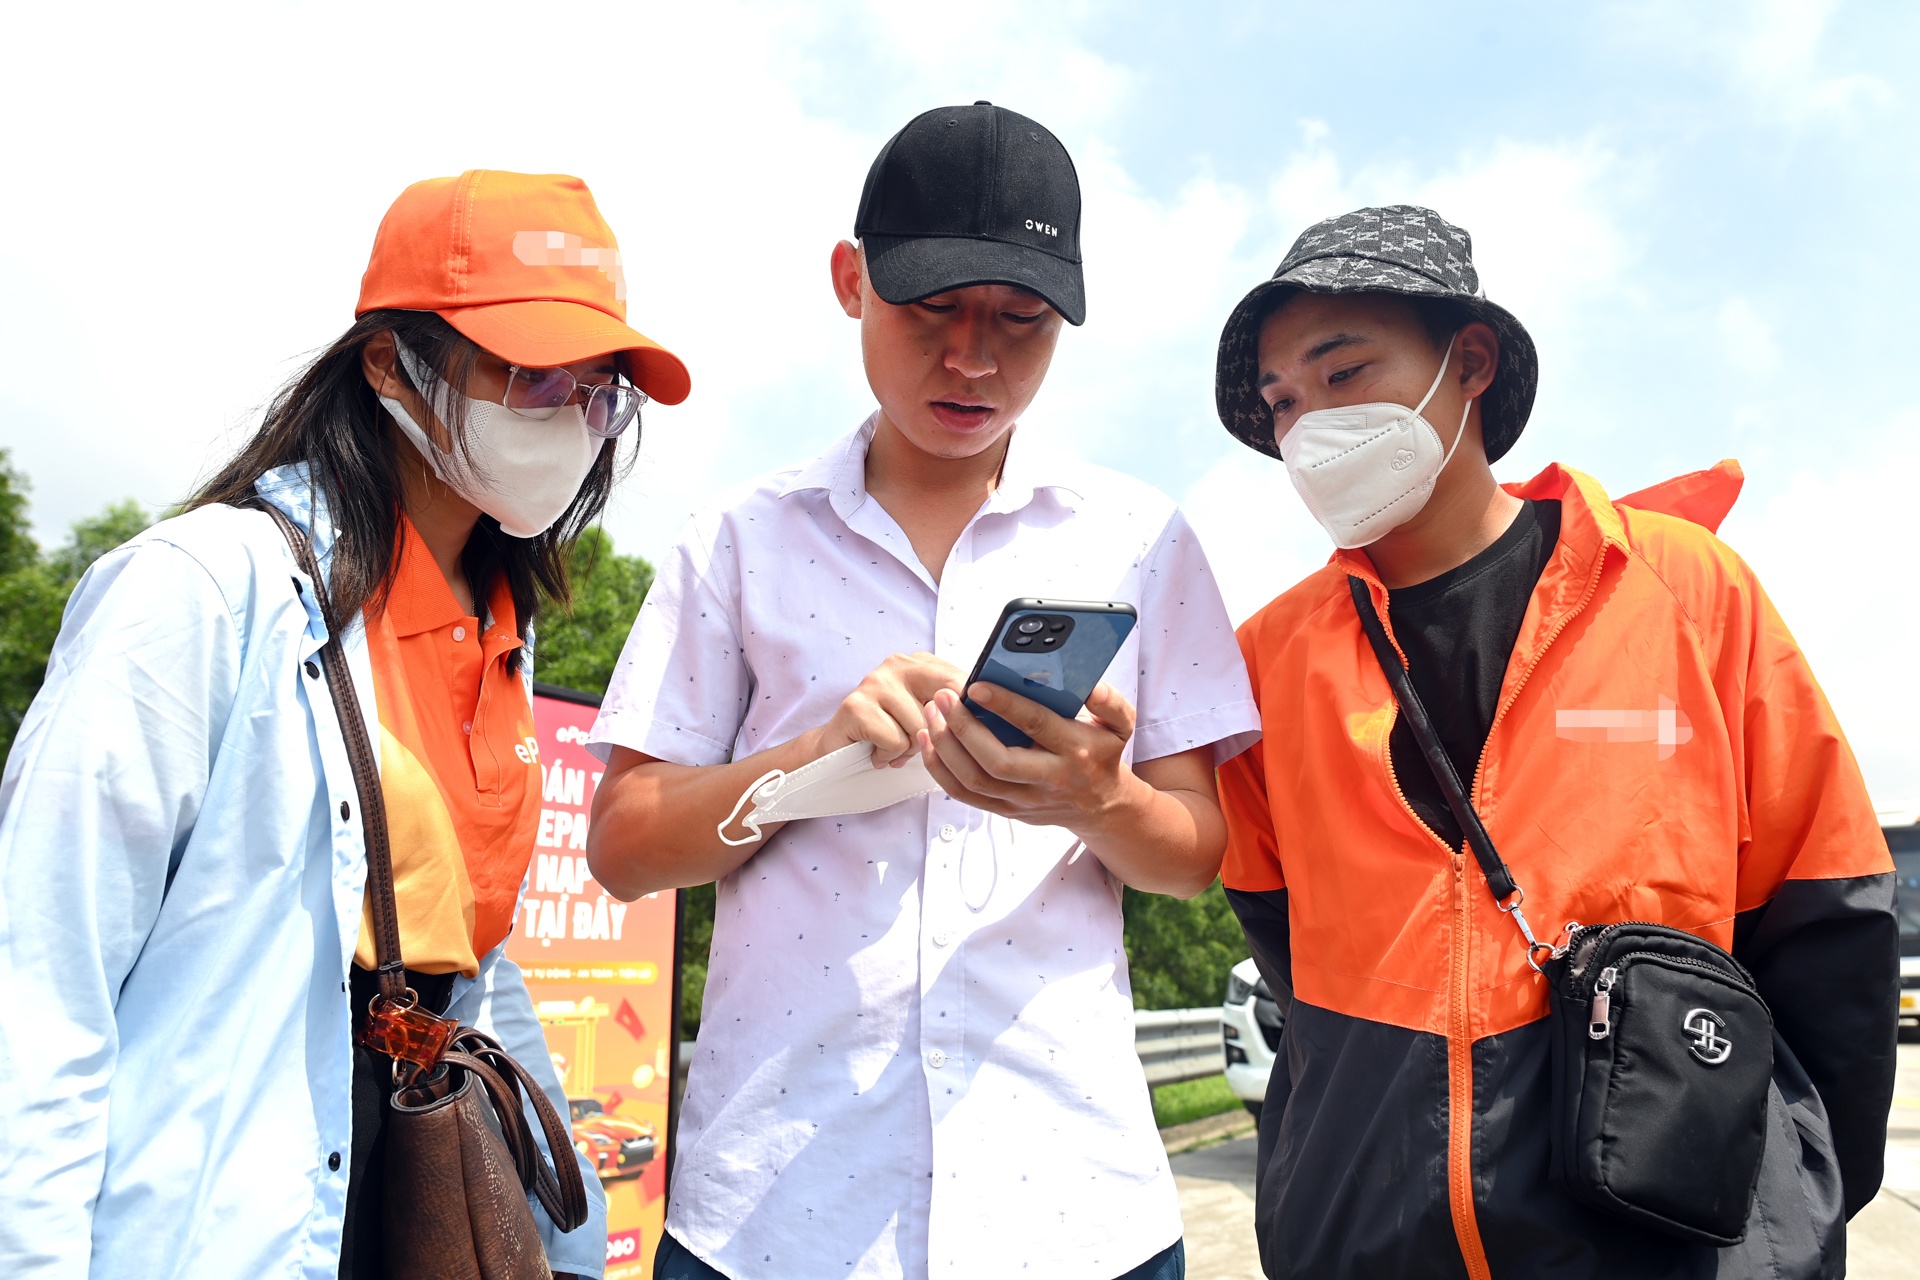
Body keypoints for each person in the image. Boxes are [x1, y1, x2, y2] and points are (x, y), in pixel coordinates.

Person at [585, 103, 1259, 1280]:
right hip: (776, 1213)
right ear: (850, 280)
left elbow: (1193, 852)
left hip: (1071, 1204)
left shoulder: (1143, 541)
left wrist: (1095, 798)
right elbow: (626, 846)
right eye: (931, 309)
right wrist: (809, 760)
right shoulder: (738, 541)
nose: (972, 359)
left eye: (1020, 321)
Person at [0, 169, 690, 1279]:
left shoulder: (502, 629)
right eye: (532, 374)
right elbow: (39, 984)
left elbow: (474, 967)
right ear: (391, 362)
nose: (574, 417)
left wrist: (564, 1239)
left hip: (425, 1207)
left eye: (600, 389)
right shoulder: (203, 592)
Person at [1212, 205, 1898, 1278]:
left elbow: (1827, 913)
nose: (1309, 427)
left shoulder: (1682, 589)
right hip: (1369, 1240)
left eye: (1344, 374)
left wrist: (1804, 1192)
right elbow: (1285, 951)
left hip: (1669, 1236)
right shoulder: (1266, 660)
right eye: (1283, 400)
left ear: (1470, 362)